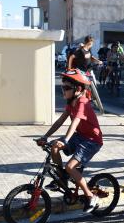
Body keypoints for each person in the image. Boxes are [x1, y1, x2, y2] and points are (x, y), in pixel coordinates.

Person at [37, 69, 104, 213]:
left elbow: (75, 122)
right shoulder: (71, 103)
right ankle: (62, 179)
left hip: (92, 140)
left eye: (66, 88)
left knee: (70, 167)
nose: (63, 90)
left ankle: (90, 196)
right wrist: (45, 136)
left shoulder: (83, 102)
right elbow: (60, 121)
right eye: (63, 87)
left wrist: (66, 140)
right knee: (54, 147)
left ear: (78, 89)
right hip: (80, 136)